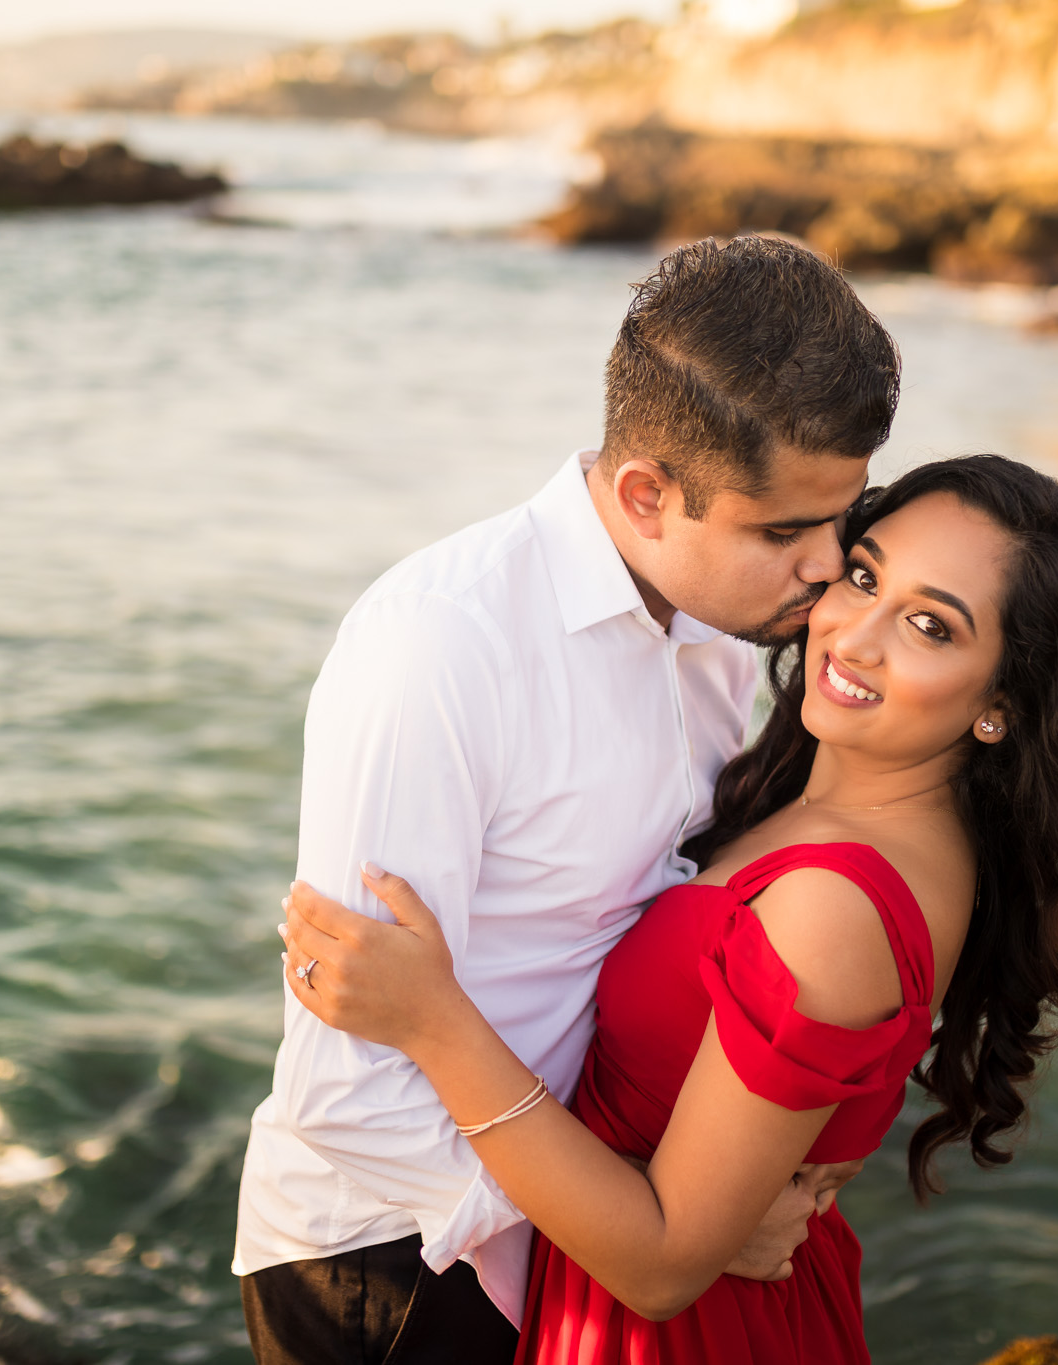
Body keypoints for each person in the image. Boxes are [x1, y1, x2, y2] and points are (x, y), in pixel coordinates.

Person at [282, 454, 1058, 1363]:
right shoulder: (846, 811)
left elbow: (660, 1265)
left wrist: (435, 1021)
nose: (853, 635)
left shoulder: (834, 907)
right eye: (864, 574)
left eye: (930, 625)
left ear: (1000, 705)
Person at [232, 235, 903, 1364]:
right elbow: (350, 1086)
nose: (828, 567)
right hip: (396, 1267)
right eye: (783, 531)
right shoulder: (439, 648)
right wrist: (660, 1224)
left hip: (565, 1225)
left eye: (841, 518)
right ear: (646, 495)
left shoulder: (713, 633)